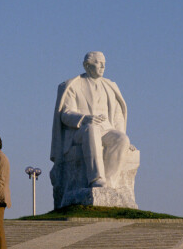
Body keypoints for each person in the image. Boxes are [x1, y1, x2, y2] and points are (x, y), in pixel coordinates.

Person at [50, 51, 136, 189]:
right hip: (80, 132)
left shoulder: (110, 86)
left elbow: (117, 115)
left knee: (122, 139)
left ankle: (110, 182)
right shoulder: (73, 85)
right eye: (98, 63)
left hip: (106, 129)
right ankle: (96, 178)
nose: (103, 67)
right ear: (87, 66)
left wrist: (121, 133)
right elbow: (65, 114)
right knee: (92, 129)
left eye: (104, 64)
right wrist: (85, 119)